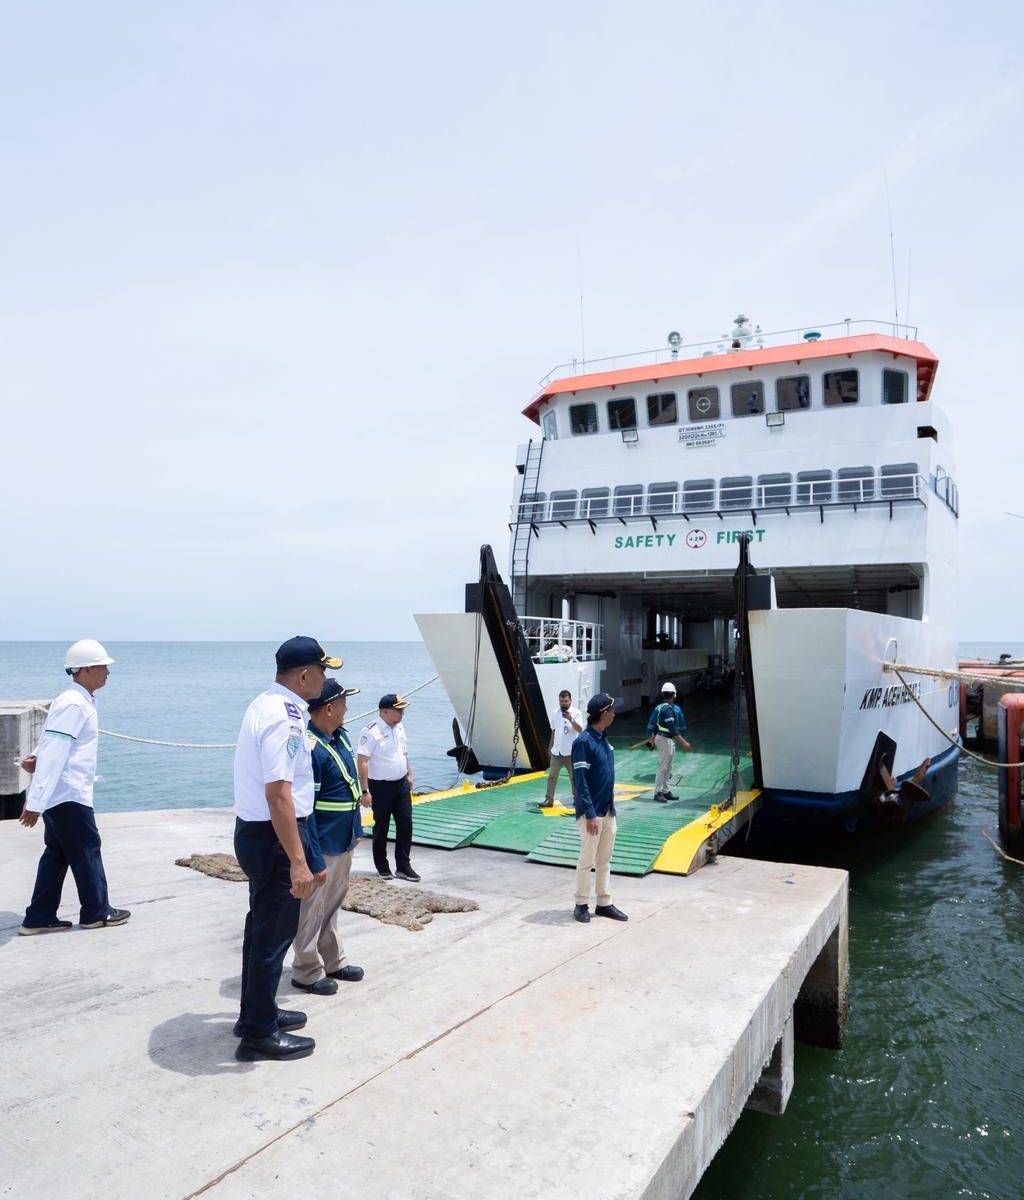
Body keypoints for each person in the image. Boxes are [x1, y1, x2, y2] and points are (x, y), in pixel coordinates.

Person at [232, 636, 340, 1063]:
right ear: (304, 675)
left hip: (257, 832)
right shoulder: (287, 717)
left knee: (260, 930)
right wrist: (298, 860)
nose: (325, 679)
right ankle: (258, 1035)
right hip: (275, 837)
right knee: (272, 938)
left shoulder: (264, 704)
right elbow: (279, 795)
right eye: (323, 670)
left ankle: (254, 1014)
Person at [18, 639, 131, 935]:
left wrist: (37, 759)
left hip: (62, 793)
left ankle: (39, 916)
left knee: (57, 853)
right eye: (103, 666)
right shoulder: (74, 703)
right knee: (86, 849)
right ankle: (97, 912)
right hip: (68, 795)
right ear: (86, 669)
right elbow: (56, 748)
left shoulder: (76, 700)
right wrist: (35, 801)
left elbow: (52, 743)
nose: (108, 672)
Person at [290, 678, 366, 995]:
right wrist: (313, 857)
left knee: (332, 905)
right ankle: (306, 970)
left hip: (343, 839)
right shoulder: (311, 749)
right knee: (310, 911)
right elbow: (305, 809)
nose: (347, 708)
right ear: (330, 708)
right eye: (343, 703)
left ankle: (333, 960)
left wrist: (356, 830)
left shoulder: (341, 738)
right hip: (322, 843)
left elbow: (351, 789)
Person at [572, 693, 627, 924]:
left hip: (607, 810)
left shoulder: (603, 738)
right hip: (592, 814)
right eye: (612, 710)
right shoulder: (583, 742)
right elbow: (580, 781)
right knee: (587, 860)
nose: (614, 714)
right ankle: (581, 903)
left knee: (605, 859)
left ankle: (604, 902)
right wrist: (591, 814)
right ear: (604, 714)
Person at [357, 693, 419, 882]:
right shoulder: (371, 731)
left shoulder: (399, 727)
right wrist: (365, 791)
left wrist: (409, 773)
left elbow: (403, 752)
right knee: (381, 826)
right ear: (384, 711)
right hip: (380, 786)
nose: (402, 713)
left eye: (402, 710)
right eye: (398, 710)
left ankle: (403, 866)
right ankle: (382, 866)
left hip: (401, 784)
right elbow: (362, 761)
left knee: (406, 824)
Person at [645, 682, 692, 802]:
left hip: (665, 739)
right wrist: (684, 743)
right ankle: (657, 792)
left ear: (662, 694)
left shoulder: (660, 707)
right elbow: (673, 729)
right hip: (665, 740)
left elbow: (654, 725)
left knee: (668, 767)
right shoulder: (668, 709)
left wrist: (651, 740)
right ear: (674, 695)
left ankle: (665, 791)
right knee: (663, 767)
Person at [540, 690, 582, 808]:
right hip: (557, 751)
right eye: (561, 701)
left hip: (570, 752)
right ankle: (549, 800)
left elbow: (580, 729)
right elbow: (554, 730)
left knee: (573, 777)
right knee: (552, 776)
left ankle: (577, 799)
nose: (563, 703)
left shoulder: (576, 713)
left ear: (570, 700)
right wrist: (550, 746)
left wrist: (571, 719)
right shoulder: (555, 713)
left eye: (565, 701)